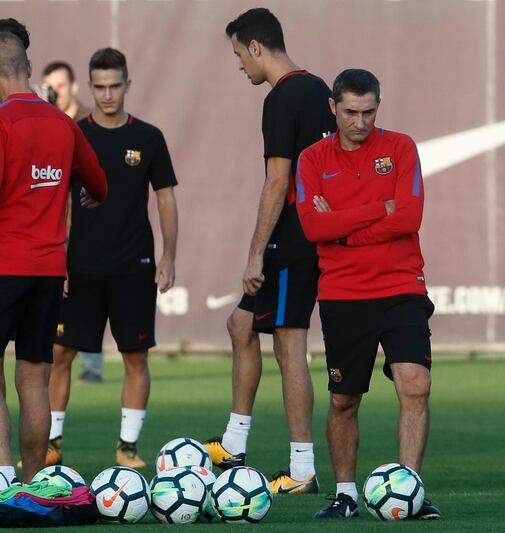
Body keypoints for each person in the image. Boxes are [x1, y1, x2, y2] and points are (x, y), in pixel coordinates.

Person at [297, 68, 441, 520]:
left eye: (369, 112)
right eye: (351, 112)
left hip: (401, 285)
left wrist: (343, 229)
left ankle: (410, 491)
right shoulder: (312, 159)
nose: (360, 122)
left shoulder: (400, 147)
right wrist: (379, 209)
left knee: (415, 385)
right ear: (333, 108)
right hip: (342, 292)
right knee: (344, 400)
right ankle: (345, 494)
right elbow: (312, 227)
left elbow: (409, 218)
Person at [204, 8, 335, 496]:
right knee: (241, 325)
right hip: (308, 238)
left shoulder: (281, 98)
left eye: (239, 54)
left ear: (256, 47)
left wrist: (256, 252)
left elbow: (278, 179)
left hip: (292, 240)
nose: (239, 64)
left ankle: (302, 469)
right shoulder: (320, 88)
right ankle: (235, 442)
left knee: (289, 346)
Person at [46, 47, 178, 469]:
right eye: (99, 87)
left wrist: (168, 255)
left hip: (133, 265)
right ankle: (51, 444)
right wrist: (58, 257)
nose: (107, 95)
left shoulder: (149, 138)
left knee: (135, 358)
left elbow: (166, 199)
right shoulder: (71, 133)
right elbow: (57, 200)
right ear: (90, 86)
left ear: (127, 85)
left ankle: (128, 449)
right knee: (60, 353)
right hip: (80, 266)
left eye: (114, 86)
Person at [0, 32, 106, 483]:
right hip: (47, 270)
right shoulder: (64, 124)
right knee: (34, 379)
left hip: (4, 265)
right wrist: (84, 195)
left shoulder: (3, 123)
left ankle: (3, 480)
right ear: (28, 68)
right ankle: (31, 484)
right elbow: (98, 184)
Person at [42, 61, 101, 386]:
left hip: (89, 223)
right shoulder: (43, 122)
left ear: (74, 87)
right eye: (49, 86)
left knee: (91, 292)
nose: (55, 92)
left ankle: (92, 364)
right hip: (57, 224)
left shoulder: (88, 123)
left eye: (60, 86)